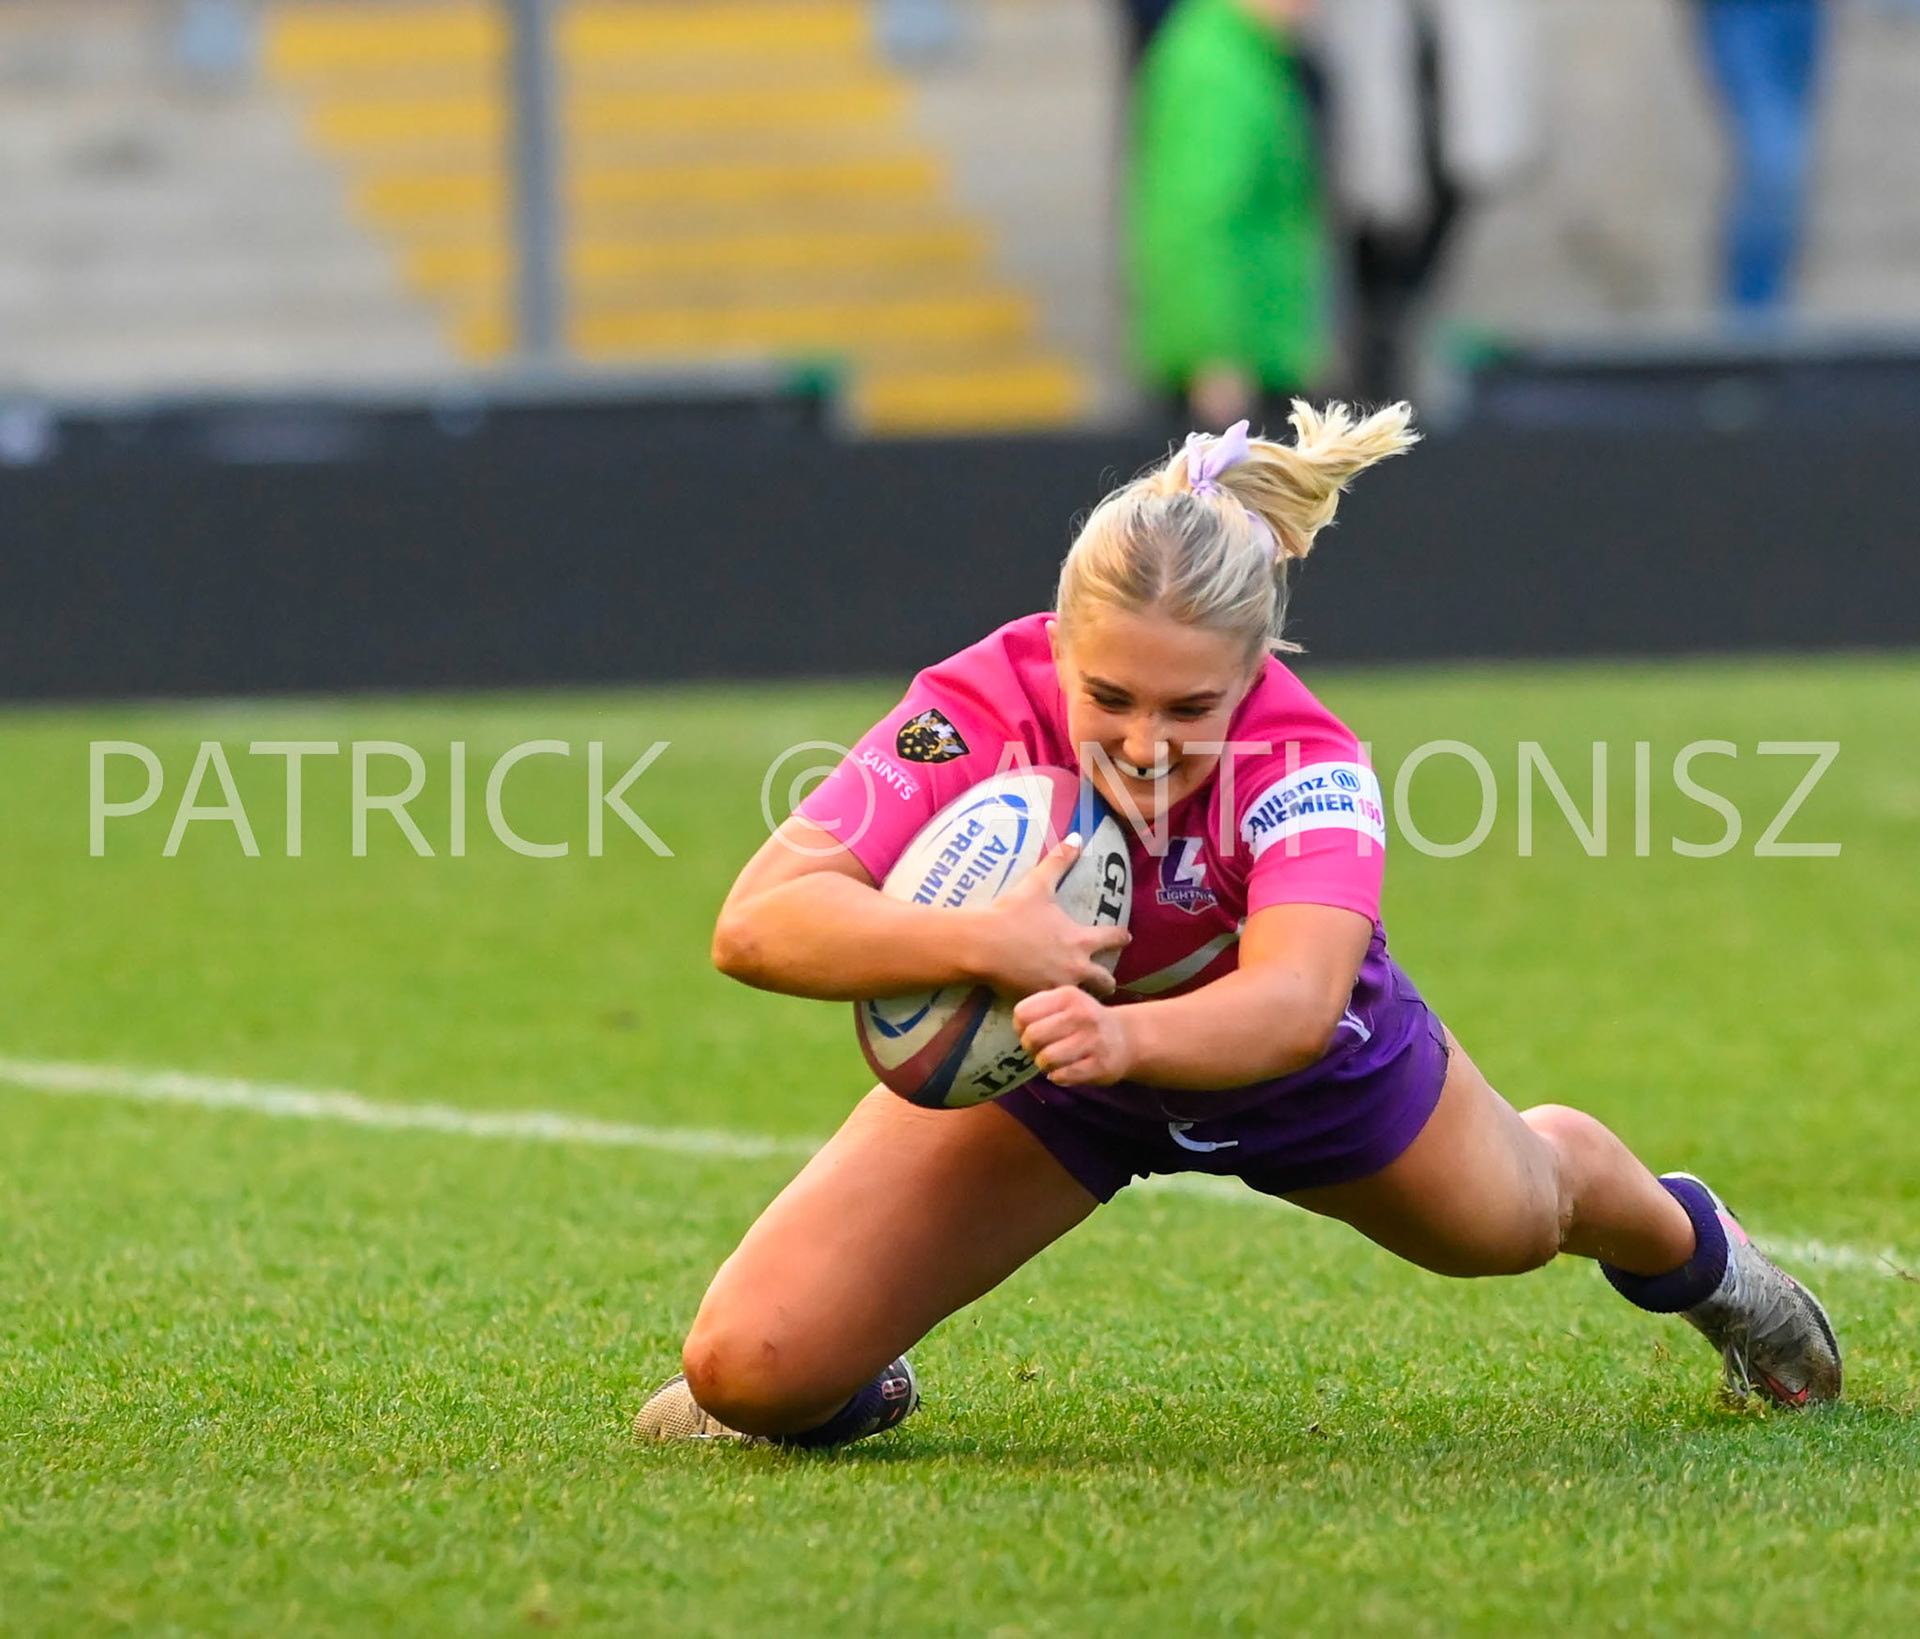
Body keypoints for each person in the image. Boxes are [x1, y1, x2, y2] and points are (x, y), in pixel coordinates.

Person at [635, 404, 1842, 1450]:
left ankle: (1690, 1241)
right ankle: (850, 1380)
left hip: (1307, 1074)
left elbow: (1296, 1000)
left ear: (1254, 669)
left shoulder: (1307, 762)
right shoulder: (974, 706)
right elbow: (760, 918)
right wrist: (982, 946)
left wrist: (1128, 1041)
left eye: (1190, 706)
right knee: (749, 1371)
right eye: (1108, 697)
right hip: (1048, 1065)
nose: (1148, 743)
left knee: (1513, 1224)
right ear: (1056, 647)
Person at [1128, 0, 1330, 429]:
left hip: (1258, 349)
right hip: (1232, 365)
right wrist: (1212, 352)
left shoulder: (1246, 55)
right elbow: (1197, 216)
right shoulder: (1216, 66)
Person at [1690, 0, 1827, 316]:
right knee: (1774, 163)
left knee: (1790, 159)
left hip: (1803, 12)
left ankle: (1764, 307)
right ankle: (1752, 314)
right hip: (1737, 12)